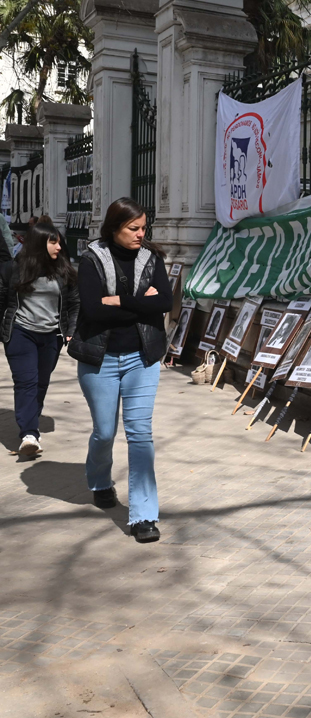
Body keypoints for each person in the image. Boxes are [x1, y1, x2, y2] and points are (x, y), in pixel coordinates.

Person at [70, 198, 173, 543]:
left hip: (141, 358)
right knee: (104, 431)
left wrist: (120, 300)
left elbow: (164, 303)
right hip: (100, 359)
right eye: (134, 228)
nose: (141, 234)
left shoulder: (152, 258)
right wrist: (142, 303)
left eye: (144, 228)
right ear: (114, 227)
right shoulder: (91, 260)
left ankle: (144, 516)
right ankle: (100, 481)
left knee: (140, 434)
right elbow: (94, 312)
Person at [0, 221, 78, 456]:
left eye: (59, 242)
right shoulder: (13, 269)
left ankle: (29, 422)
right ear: (38, 243)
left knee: (41, 383)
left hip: (52, 335)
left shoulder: (65, 270)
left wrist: (71, 329)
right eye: (52, 242)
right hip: (20, 332)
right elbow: (2, 300)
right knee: (26, 382)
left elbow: (75, 302)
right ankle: (29, 434)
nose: (58, 247)